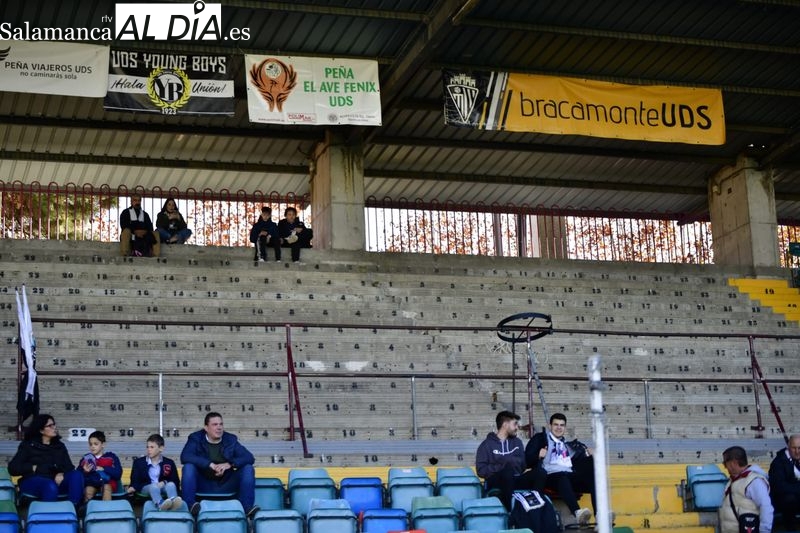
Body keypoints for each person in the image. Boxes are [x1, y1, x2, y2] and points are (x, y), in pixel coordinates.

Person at [180, 412, 259, 518]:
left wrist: (230, 464)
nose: (219, 427)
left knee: (248, 468)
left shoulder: (230, 439)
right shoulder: (196, 438)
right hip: (203, 483)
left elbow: (249, 457)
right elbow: (185, 456)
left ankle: (247, 509)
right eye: (215, 424)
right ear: (206, 428)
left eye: (221, 424)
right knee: (188, 467)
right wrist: (209, 464)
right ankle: (189, 507)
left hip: (226, 483)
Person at [525, 413, 595, 526]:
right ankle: (577, 512)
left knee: (593, 479)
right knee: (562, 476)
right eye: (556, 424)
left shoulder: (568, 445)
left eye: (562, 425)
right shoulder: (540, 439)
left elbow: (578, 461)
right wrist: (538, 455)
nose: (559, 428)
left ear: (565, 428)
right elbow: (527, 461)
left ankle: (599, 515)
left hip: (568, 475)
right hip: (549, 476)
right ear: (550, 426)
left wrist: (588, 454)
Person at [8, 414, 83, 508]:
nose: (54, 427)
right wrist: (33, 467)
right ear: (41, 430)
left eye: (54, 424)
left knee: (76, 475)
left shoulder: (59, 446)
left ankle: (72, 510)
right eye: (50, 426)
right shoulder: (28, 446)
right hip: (33, 481)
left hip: (55, 481)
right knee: (49, 485)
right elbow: (13, 468)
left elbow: (69, 467)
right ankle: (48, 514)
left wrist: (62, 473)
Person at [476, 410, 545, 510]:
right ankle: (511, 511)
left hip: (516, 479)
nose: (517, 427)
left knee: (540, 472)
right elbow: (481, 470)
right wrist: (503, 465)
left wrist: (510, 462)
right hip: (496, 482)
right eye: (515, 424)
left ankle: (536, 508)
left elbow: (523, 466)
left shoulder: (517, 442)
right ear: (505, 425)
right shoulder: (486, 445)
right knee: (507, 471)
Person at [719, 445, 773, 533]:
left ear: (733, 462)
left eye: (725, 463)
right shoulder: (733, 480)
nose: (725, 467)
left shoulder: (754, 481)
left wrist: (764, 531)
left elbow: (766, 507)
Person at [127, 433, 182, 511]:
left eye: (152, 447)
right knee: (153, 486)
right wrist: (133, 488)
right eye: (147, 447)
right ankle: (160, 504)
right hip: (146, 488)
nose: (149, 449)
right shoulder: (138, 463)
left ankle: (173, 503)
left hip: (162, 487)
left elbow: (175, 481)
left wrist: (164, 482)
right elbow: (135, 481)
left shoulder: (169, 462)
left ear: (161, 448)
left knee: (171, 484)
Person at [79, 430, 122, 503]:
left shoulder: (111, 457)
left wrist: (104, 468)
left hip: (108, 483)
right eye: (90, 444)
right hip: (92, 483)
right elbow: (78, 475)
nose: (92, 446)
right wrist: (85, 472)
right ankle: (88, 509)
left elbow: (118, 474)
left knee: (106, 488)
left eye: (96, 444)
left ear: (103, 444)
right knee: (88, 490)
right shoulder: (86, 458)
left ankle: (105, 510)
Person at [769, 435, 800, 530]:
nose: (797, 451)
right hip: (783, 501)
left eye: (799, 448)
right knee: (789, 498)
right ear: (788, 447)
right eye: (794, 448)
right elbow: (779, 487)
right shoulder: (778, 463)